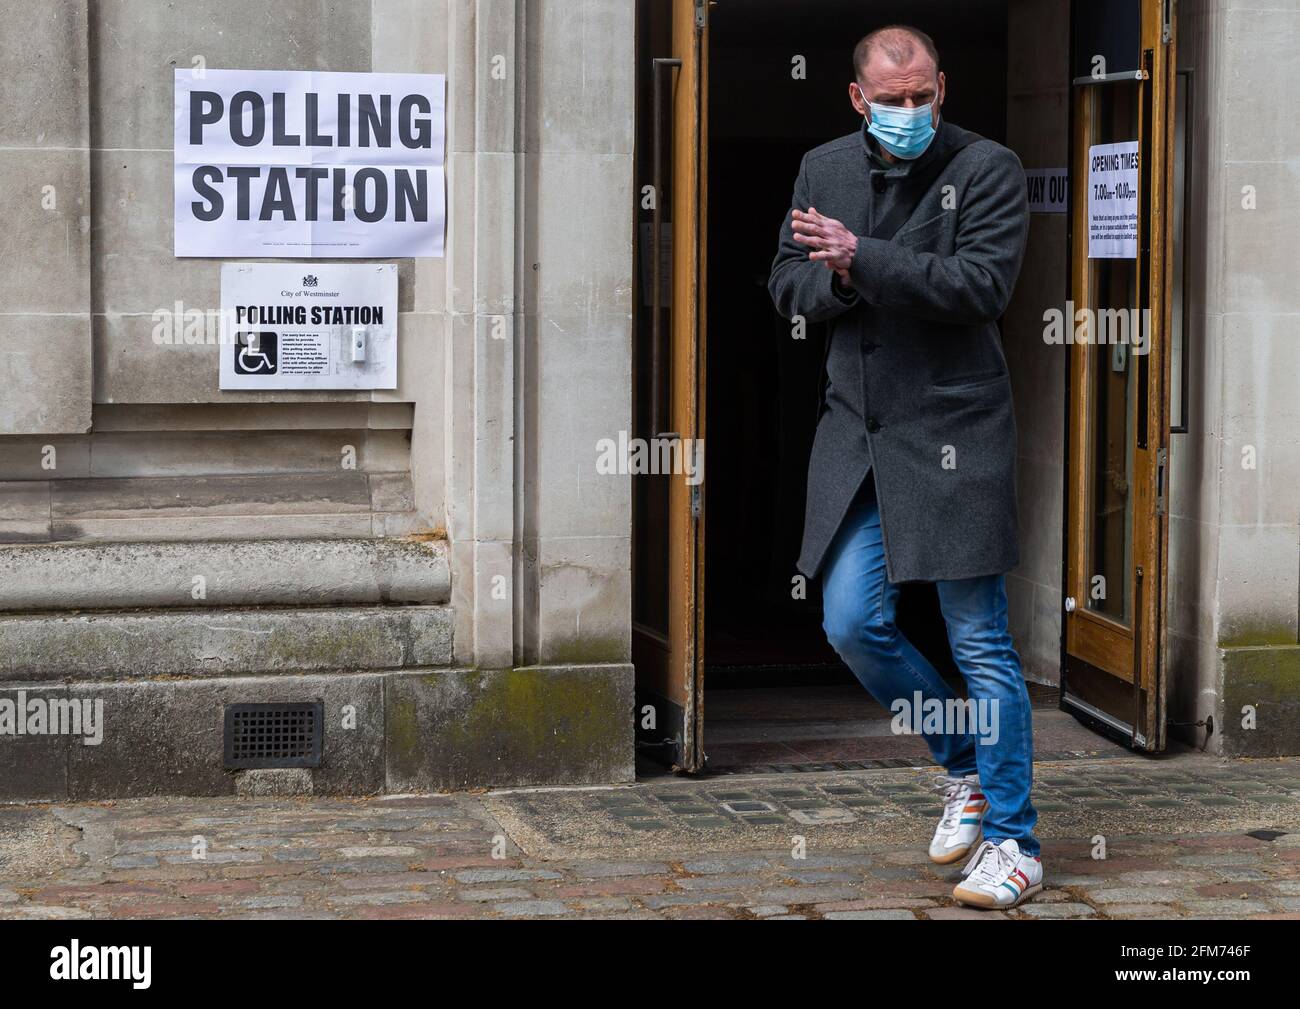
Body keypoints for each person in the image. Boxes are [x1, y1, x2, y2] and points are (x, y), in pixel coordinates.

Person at [768, 24, 1040, 909]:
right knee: (850, 621)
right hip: (861, 438)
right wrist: (837, 280)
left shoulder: (988, 168)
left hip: (959, 433)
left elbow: (981, 287)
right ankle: (963, 766)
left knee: (981, 642)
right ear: (858, 98)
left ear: (942, 87)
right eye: (892, 100)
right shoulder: (823, 168)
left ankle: (1014, 840)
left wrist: (862, 257)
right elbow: (786, 286)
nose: (910, 112)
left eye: (922, 95)